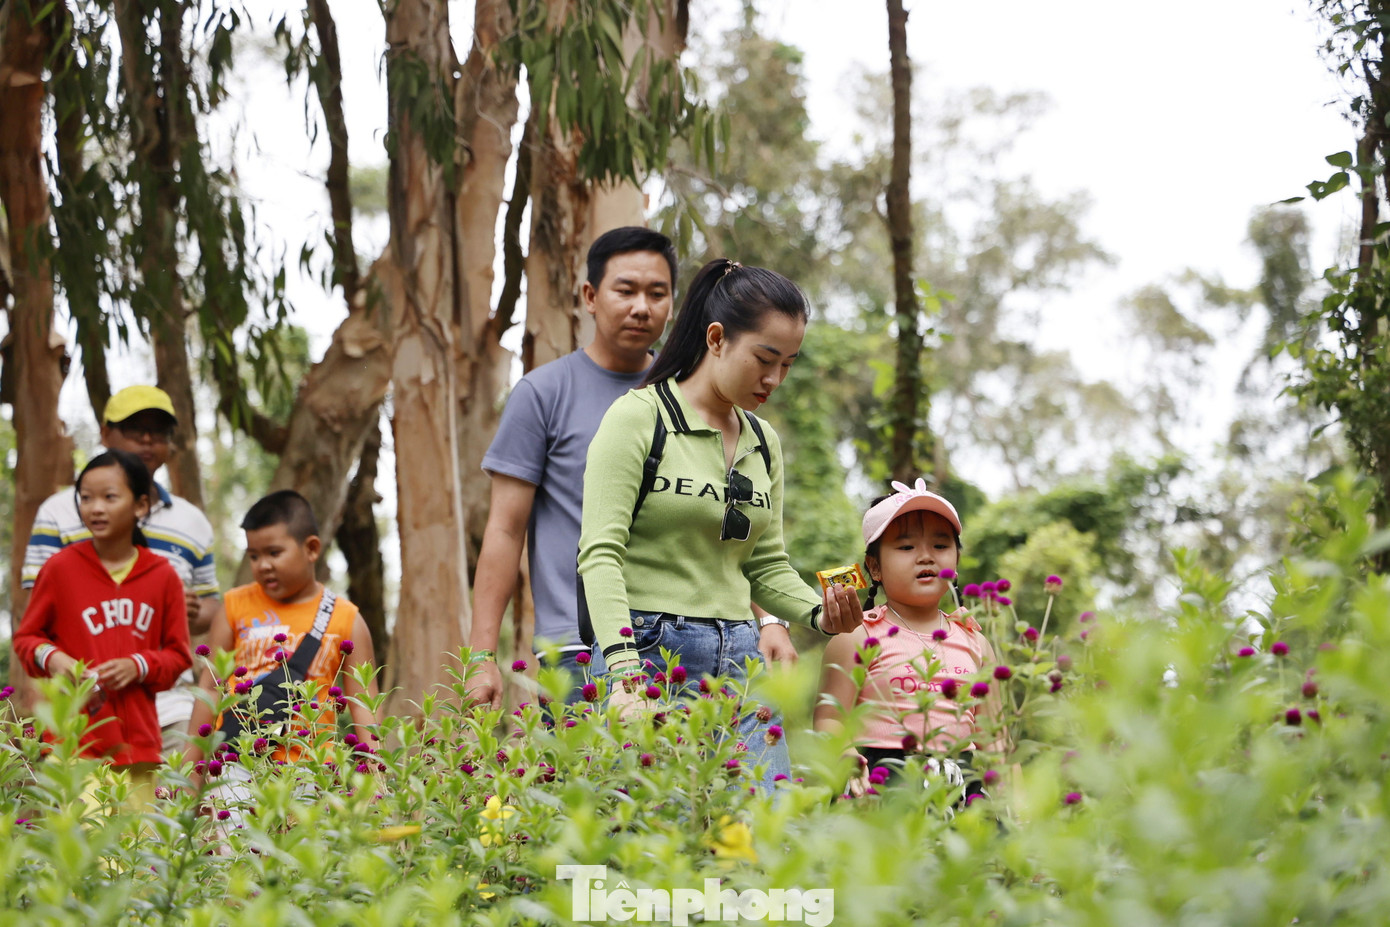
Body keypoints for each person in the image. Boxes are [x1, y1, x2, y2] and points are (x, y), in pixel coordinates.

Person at [467, 227, 801, 710]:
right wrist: (481, 654)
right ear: (591, 296)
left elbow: (728, 530)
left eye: (657, 293)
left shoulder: (711, 400)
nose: (641, 306)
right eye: (625, 290)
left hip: (691, 647)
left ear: (677, 304)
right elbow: (503, 529)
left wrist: (769, 619)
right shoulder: (542, 395)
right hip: (577, 646)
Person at [577, 258, 864, 785]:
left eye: (790, 364)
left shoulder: (763, 441)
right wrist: (623, 672)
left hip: (741, 659)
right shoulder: (637, 418)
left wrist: (821, 614)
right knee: (650, 849)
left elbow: (766, 564)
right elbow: (600, 555)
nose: (775, 378)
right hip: (648, 652)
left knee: (757, 842)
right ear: (716, 338)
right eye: (765, 358)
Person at [22, 385, 219, 756]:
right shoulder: (58, 511)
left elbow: (210, 608)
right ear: (105, 432)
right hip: (82, 705)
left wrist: (180, 606)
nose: (147, 440)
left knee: (169, 804)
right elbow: (38, 614)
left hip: (170, 700)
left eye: (158, 431)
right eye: (134, 428)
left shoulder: (193, 521)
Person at [185, 490, 380, 831]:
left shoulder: (346, 617)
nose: (263, 565)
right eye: (254, 555)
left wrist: (375, 781)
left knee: (303, 871)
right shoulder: (233, 607)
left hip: (313, 769)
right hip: (236, 763)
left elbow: (364, 702)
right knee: (238, 868)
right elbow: (210, 690)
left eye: (274, 552)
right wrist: (190, 777)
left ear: (311, 549)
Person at [13, 450, 192, 805]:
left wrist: (138, 666)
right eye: (86, 498)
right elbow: (27, 638)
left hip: (139, 747)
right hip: (74, 745)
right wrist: (58, 661)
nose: (95, 508)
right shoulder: (61, 568)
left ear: (141, 506)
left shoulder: (163, 577)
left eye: (109, 497)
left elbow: (179, 656)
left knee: (136, 856)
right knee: (87, 856)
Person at [814, 480, 1006, 800]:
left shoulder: (976, 642)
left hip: (963, 784)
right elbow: (829, 719)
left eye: (940, 546)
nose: (926, 557)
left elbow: (994, 738)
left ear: (956, 562)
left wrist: (1015, 800)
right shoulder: (857, 637)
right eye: (906, 547)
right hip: (880, 783)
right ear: (874, 567)